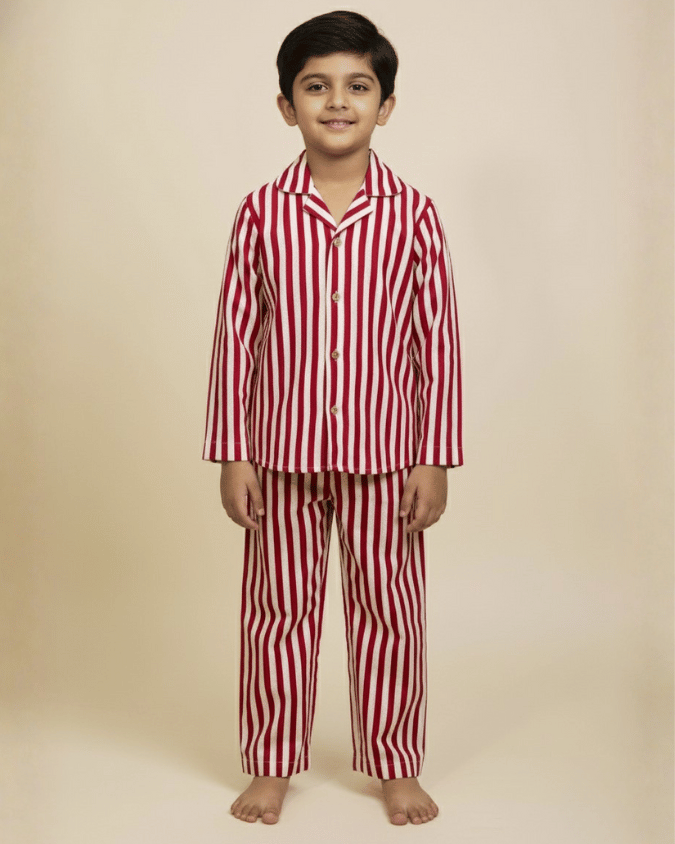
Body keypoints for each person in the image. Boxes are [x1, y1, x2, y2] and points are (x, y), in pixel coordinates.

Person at [202, 10, 463, 826]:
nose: (337, 102)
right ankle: (272, 762)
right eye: (316, 87)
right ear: (287, 105)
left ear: (385, 104)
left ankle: (392, 764)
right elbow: (234, 334)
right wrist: (231, 453)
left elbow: (438, 342)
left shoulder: (412, 215)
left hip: (387, 458)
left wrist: (434, 456)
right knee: (277, 612)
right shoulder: (260, 213)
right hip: (277, 456)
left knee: (389, 614)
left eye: (358, 86)